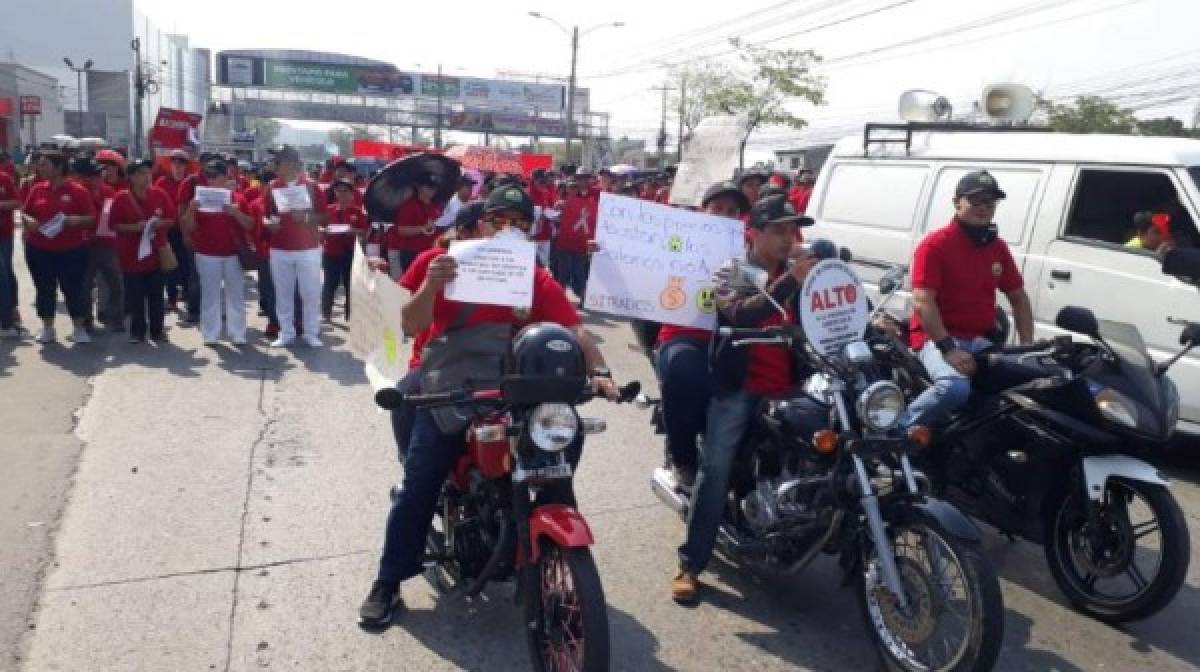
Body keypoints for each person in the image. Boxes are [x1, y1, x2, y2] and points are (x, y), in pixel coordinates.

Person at [358, 185, 620, 627]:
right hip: (447, 379)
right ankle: (388, 582)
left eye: (519, 223)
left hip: (513, 382)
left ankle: (548, 543)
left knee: (557, 446)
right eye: (500, 220)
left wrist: (600, 370)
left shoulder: (533, 275)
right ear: (481, 224)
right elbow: (407, 325)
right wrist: (431, 285)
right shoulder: (436, 262)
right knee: (421, 480)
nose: (509, 230)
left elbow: (573, 328)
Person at [671, 193, 825, 604]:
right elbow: (739, 315)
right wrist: (792, 279)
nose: (786, 238)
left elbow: (831, 315)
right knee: (716, 467)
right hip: (740, 387)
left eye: (791, 230)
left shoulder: (803, 273)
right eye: (777, 230)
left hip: (791, 386)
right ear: (753, 232)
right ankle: (691, 562)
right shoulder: (734, 271)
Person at [901, 170, 1034, 428]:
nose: (983, 208)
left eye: (990, 203)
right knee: (954, 388)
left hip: (980, 339)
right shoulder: (935, 245)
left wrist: (1027, 348)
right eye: (976, 201)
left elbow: (1019, 297)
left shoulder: (997, 247)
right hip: (937, 339)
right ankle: (899, 431)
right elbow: (922, 301)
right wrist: (948, 348)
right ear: (957, 202)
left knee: (1025, 383)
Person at [656, 181, 751, 488]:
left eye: (732, 211)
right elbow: (642, 258)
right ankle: (683, 457)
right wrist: (607, 252)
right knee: (683, 370)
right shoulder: (678, 238)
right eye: (717, 209)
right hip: (684, 335)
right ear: (701, 211)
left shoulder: (749, 247)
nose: (724, 215)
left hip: (732, 335)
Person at [18, 150, 97, 344]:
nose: (40, 167)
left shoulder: (78, 191)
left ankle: (79, 328)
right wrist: (30, 221)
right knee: (44, 288)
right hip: (39, 248)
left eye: (45, 164)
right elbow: (24, 213)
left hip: (71, 250)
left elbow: (92, 218)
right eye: (40, 164)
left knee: (73, 289)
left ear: (59, 167)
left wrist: (76, 220)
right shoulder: (37, 189)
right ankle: (47, 327)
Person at [181, 159, 254, 345]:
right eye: (209, 176)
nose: (212, 180)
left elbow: (251, 224)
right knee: (210, 294)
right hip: (207, 253)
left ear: (225, 176)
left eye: (216, 176)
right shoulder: (199, 199)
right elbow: (189, 226)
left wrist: (235, 213)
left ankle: (237, 333)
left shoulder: (238, 199)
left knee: (235, 294)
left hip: (232, 254)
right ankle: (210, 333)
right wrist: (190, 210)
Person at [263, 146, 326, 348]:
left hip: (308, 248)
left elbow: (325, 216)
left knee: (310, 292)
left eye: (277, 162)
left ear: (290, 164)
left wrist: (306, 217)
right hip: (280, 248)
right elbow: (266, 214)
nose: (274, 166)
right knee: (283, 292)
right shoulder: (272, 186)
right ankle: (286, 332)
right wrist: (269, 223)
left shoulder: (311, 186)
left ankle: (310, 332)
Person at [110, 159, 175, 344]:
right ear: (131, 177)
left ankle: (157, 330)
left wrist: (157, 224)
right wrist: (135, 227)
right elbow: (114, 225)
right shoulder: (121, 198)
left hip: (156, 253)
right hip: (131, 255)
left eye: (148, 172)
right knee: (135, 295)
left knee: (156, 294)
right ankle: (137, 332)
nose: (146, 177)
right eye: (141, 173)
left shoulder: (160, 194)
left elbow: (171, 219)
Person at [77, 157, 124, 333]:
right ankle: (86, 321)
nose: (99, 177)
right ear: (84, 177)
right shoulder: (78, 193)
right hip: (85, 245)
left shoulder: (109, 192)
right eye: (94, 174)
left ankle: (115, 318)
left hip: (108, 245)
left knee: (116, 283)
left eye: (99, 173)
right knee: (85, 285)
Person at [320, 178, 368, 322]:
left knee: (350, 285)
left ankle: (350, 315)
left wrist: (354, 231)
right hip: (331, 252)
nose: (342, 194)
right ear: (335, 193)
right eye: (338, 191)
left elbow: (365, 233)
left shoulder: (358, 212)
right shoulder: (328, 210)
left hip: (351, 253)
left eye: (345, 191)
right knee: (330, 283)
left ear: (352, 193)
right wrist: (323, 230)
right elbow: (319, 227)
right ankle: (326, 312)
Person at [382, 174, 442, 279]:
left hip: (430, 251)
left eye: (434, 186)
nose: (432, 190)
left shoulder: (434, 206)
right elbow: (401, 230)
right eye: (428, 186)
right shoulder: (408, 206)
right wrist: (423, 228)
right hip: (412, 253)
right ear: (418, 187)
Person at [552, 168, 597, 302]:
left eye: (585, 178)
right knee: (563, 272)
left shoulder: (595, 195)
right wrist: (559, 210)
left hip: (582, 241)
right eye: (580, 178)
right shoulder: (564, 199)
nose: (582, 181)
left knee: (580, 272)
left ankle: (583, 298)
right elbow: (555, 217)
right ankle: (559, 300)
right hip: (564, 240)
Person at [0, 159, 20, 338]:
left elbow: (17, 202)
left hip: (3, 236)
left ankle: (10, 313)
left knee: (5, 274)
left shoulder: (4, 179)